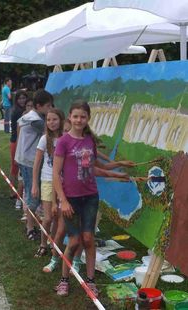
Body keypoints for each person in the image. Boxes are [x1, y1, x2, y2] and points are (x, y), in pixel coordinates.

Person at [53, 100, 134, 297]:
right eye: (75, 116)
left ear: (88, 118)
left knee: (88, 239)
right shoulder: (63, 142)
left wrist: (118, 173)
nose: (79, 120)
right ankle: (64, 279)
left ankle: (90, 281)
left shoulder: (89, 141)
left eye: (83, 116)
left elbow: (94, 168)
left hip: (90, 197)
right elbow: (56, 174)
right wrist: (63, 200)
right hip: (70, 199)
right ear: (70, 117)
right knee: (73, 241)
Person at [15, 89, 53, 240]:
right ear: (39, 105)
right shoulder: (36, 120)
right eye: (48, 106)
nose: (50, 109)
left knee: (32, 192)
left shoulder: (28, 115)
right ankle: (30, 228)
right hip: (30, 161)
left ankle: (32, 224)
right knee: (34, 194)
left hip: (25, 158)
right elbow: (49, 132)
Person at [32, 108, 65, 257]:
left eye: (55, 119)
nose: (51, 122)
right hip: (47, 180)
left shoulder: (66, 138)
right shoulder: (45, 139)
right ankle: (43, 243)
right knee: (48, 217)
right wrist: (34, 184)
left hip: (63, 183)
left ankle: (54, 242)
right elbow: (37, 163)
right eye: (49, 120)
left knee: (58, 216)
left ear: (61, 120)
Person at [9, 90, 28, 205]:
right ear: (16, 100)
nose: (22, 100)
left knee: (18, 166)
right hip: (16, 141)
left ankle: (19, 189)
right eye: (20, 98)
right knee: (15, 166)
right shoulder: (17, 112)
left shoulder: (24, 111)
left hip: (20, 141)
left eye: (24, 98)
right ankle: (12, 190)